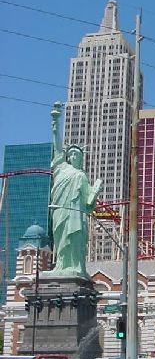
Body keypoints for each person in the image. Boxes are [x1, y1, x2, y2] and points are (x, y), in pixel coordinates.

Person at [47, 102, 102, 279]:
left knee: (76, 238)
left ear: (81, 157)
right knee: (61, 238)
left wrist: (95, 191)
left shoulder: (82, 176)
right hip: (60, 210)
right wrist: (56, 125)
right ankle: (61, 265)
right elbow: (57, 147)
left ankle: (76, 266)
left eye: (76, 154)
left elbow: (88, 204)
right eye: (70, 154)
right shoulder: (62, 168)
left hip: (77, 213)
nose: (73, 156)